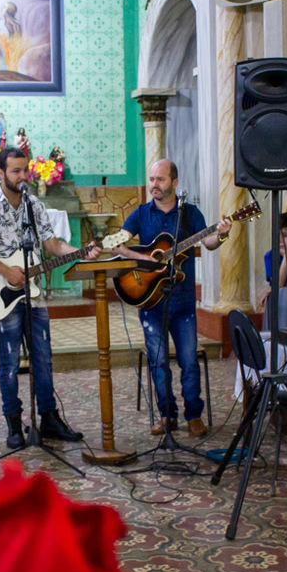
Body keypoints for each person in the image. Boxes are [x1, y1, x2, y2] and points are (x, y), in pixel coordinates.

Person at [0, 147, 99, 448]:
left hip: (33, 295)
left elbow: (51, 244)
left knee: (43, 357)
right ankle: (14, 423)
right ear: (1, 173)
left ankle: (48, 418)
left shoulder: (33, 205)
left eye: (25, 170)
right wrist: (4, 270)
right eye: (15, 171)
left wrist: (80, 252)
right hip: (2, 295)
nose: (23, 176)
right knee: (9, 362)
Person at [111, 159, 231, 437]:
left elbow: (209, 243)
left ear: (175, 183)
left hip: (183, 302)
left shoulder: (190, 214)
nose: (154, 185)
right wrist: (145, 258)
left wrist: (222, 235)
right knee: (158, 362)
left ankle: (194, 415)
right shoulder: (141, 213)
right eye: (151, 179)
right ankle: (167, 415)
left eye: (160, 180)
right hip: (150, 302)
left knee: (188, 361)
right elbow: (118, 243)